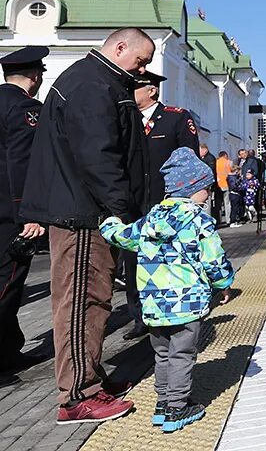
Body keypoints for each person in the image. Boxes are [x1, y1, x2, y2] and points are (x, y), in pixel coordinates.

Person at [21, 27, 155, 424]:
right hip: (84, 216)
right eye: (141, 60)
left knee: (93, 301)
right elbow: (97, 156)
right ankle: (77, 395)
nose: (143, 69)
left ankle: (90, 378)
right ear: (119, 47)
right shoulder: (91, 85)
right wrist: (122, 211)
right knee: (81, 302)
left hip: (89, 212)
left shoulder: (97, 81)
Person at [100, 147, 234, 433]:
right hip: (186, 306)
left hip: (155, 305)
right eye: (205, 188)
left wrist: (109, 223)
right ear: (190, 189)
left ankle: (163, 404)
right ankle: (177, 408)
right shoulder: (199, 221)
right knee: (182, 355)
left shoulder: (151, 220)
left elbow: (124, 237)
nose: (208, 194)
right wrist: (223, 285)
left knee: (161, 355)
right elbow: (214, 259)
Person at [126, 71, 199, 340]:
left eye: (134, 88)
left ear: (151, 91)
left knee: (168, 259)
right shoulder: (128, 119)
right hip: (135, 203)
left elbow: (188, 160)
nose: (129, 93)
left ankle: (173, 310)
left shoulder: (176, 117)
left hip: (166, 202)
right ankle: (139, 316)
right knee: (134, 260)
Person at [0, 47, 50, 377]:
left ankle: (9, 352)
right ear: (35, 77)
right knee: (7, 285)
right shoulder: (24, 107)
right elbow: (23, 164)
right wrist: (28, 213)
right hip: (9, 215)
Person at [213, 152, 230, 227]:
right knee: (227, 204)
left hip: (218, 185)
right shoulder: (228, 162)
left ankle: (218, 221)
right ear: (225, 155)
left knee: (218, 205)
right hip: (226, 185)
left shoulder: (215, 163)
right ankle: (228, 220)